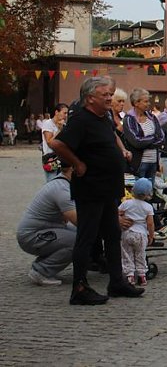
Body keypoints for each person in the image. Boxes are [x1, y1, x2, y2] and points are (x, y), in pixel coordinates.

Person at [49, 76, 144, 305]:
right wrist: (78, 164)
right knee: (87, 237)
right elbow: (58, 144)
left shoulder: (103, 117)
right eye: (105, 95)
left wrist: (121, 150)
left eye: (110, 95)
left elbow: (111, 135)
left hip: (108, 187)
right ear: (90, 98)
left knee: (112, 235)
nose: (110, 98)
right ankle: (79, 287)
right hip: (90, 187)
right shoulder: (81, 119)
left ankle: (116, 281)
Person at [17, 165, 77, 286]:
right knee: (79, 240)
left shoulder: (62, 183)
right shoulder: (62, 189)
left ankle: (43, 265)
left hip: (40, 230)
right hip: (32, 236)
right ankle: (41, 271)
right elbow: (79, 220)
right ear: (72, 169)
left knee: (78, 234)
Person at [122, 88, 165, 184]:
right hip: (139, 164)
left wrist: (145, 142)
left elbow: (162, 138)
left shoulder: (152, 117)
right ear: (136, 103)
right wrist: (153, 138)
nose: (149, 103)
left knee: (150, 193)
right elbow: (136, 142)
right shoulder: (129, 119)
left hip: (153, 162)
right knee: (139, 192)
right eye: (146, 101)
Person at [118, 178, 155, 286]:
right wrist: (151, 236)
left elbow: (117, 212)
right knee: (140, 255)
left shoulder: (126, 203)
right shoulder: (148, 207)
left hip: (127, 233)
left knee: (127, 254)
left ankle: (130, 276)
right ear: (148, 194)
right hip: (141, 235)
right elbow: (150, 223)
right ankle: (142, 275)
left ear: (132, 190)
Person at [41, 103, 68, 182]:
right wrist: (59, 130)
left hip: (62, 158)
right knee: (52, 182)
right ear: (56, 112)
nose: (66, 116)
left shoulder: (64, 125)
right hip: (51, 158)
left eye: (67, 113)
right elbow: (49, 142)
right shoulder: (48, 124)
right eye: (64, 113)